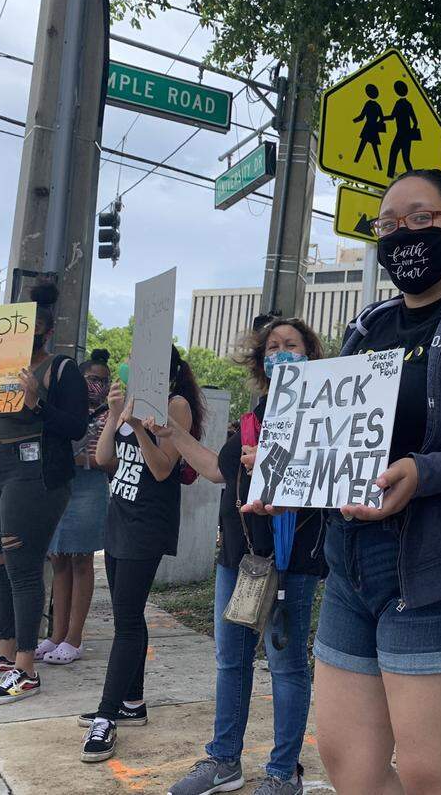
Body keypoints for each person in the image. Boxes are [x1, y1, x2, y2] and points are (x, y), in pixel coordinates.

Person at [246, 169, 441, 794]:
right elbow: (337, 431)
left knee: (429, 774)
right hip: (352, 569)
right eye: (389, 224)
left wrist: (427, 472)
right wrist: (285, 472)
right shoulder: (367, 326)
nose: (403, 236)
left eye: (421, 219)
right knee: (351, 765)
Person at [164, 318, 326, 795]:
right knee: (230, 660)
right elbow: (217, 469)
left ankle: (282, 773)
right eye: (272, 347)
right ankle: (223, 760)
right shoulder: (254, 414)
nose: (280, 354)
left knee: (286, 665)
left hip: (290, 558)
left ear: (310, 355)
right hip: (240, 557)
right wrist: (171, 432)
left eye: (290, 346)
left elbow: (330, 473)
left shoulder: (325, 412)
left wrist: (275, 458)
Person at [0, 281, 88, 704]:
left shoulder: (62, 369)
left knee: (22, 567)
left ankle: (26, 669)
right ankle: (5, 652)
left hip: (35, 473)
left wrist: (36, 403)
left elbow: (75, 428)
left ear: (44, 332)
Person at [81, 346, 205, 763]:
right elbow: (103, 460)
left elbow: (161, 469)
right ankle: (131, 702)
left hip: (146, 524)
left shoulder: (177, 406)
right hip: (119, 515)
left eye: (139, 358)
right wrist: (117, 414)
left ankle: (106, 716)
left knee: (128, 622)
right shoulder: (129, 403)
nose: (129, 364)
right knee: (125, 614)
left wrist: (136, 427)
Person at [37, 349, 112, 666]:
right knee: (59, 558)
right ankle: (57, 633)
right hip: (61, 486)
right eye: (93, 379)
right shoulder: (65, 407)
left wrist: (90, 459)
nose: (98, 386)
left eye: (104, 381)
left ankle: (74, 637)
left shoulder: (110, 413)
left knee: (81, 559)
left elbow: (109, 461)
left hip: (90, 488)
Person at [385, 80, 419, 179]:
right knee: (404, 157)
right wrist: (412, 130)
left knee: (395, 154)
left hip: (401, 134)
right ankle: (411, 177)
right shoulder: (407, 104)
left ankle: (390, 175)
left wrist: (382, 118)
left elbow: (392, 117)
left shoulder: (400, 103)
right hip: (405, 134)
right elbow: (415, 122)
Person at [353, 82, 386, 170]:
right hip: (374, 128)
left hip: (368, 128)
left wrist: (353, 121)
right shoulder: (378, 105)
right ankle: (380, 167)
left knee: (362, 146)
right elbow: (382, 118)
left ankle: (355, 162)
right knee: (374, 149)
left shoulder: (368, 104)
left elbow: (361, 117)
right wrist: (377, 124)